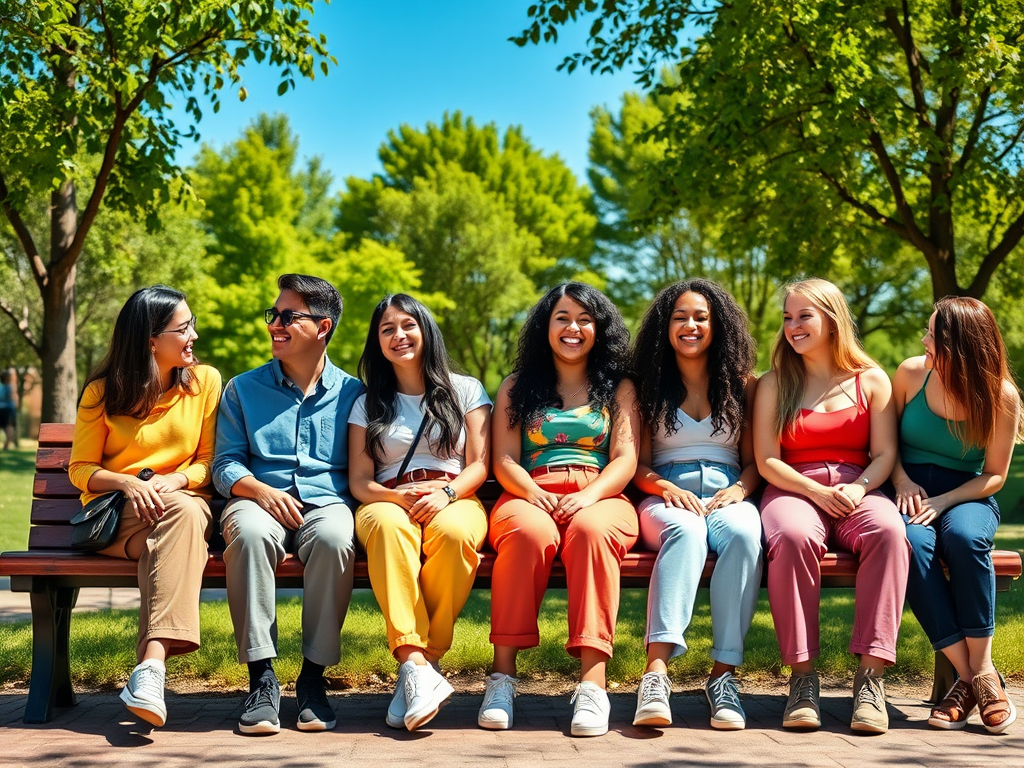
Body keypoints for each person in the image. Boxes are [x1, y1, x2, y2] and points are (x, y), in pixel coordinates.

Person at [478, 282, 639, 737]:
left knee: (590, 532)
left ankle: (592, 686)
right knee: (528, 535)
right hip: (530, 493)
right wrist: (532, 492)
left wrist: (589, 496)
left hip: (602, 495)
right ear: (545, 327)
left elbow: (625, 457)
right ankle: (502, 678)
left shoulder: (619, 388)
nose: (574, 328)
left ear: (599, 329)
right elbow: (505, 458)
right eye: (563, 318)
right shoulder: (516, 386)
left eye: (585, 319)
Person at [752, 277, 909, 734]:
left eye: (804, 316)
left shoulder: (871, 379)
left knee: (889, 532)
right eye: (787, 317)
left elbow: (884, 455)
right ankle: (802, 680)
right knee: (795, 536)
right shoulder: (773, 383)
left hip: (857, 489)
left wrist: (859, 488)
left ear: (832, 319)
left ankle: (870, 678)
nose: (793, 326)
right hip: (791, 490)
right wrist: (814, 491)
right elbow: (766, 460)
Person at [213, 274, 364, 735]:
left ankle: (313, 680)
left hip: (328, 503)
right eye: (272, 315)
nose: (274, 324)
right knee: (252, 533)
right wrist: (259, 490)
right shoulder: (242, 389)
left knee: (338, 537)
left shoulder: (355, 394)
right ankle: (261, 679)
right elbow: (224, 464)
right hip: (258, 499)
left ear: (323, 328)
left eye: (287, 316)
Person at [68, 286, 221, 727]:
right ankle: (151, 670)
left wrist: (173, 481)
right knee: (184, 517)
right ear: (151, 340)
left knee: (184, 512)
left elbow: (208, 463)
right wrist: (128, 483)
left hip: (174, 515)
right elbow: (80, 469)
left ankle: (151, 668)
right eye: (184, 327)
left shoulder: (205, 383)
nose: (194, 334)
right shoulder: (102, 393)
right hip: (118, 520)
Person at [349, 294, 492, 731]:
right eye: (387, 329)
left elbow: (480, 465)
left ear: (426, 329)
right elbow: (360, 481)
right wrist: (399, 499)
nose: (399, 335)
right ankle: (415, 664)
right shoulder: (367, 402)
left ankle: (418, 668)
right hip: (388, 500)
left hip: (455, 495)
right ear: (377, 341)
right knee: (390, 531)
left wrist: (446, 494)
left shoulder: (465, 389)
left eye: (407, 325)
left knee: (454, 536)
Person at [629, 279, 762, 730]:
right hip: (663, 493)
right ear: (665, 327)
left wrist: (740, 490)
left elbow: (755, 462)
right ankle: (656, 674)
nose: (690, 325)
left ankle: (723, 677)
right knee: (685, 532)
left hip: (729, 490)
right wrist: (666, 490)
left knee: (746, 534)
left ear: (717, 325)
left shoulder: (745, 385)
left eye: (701, 317)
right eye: (680, 317)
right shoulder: (646, 385)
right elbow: (638, 465)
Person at [891, 297, 1022, 734]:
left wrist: (946, 502)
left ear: (959, 344)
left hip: (968, 494)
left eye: (932, 333)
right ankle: (978, 681)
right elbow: (883, 446)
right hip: (909, 490)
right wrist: (903, 481)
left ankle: (974, 674)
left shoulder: (1002, 396)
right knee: (910, 544)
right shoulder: (911, 373)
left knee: (966, 540)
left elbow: (996, 475)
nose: (923, 340)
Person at [0, 367, 18, 450]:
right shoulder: (11, 386)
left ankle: (6, 445)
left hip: (1, 409)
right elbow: (14, 397)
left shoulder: (1, 386)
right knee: (10, 427)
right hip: (9, 410)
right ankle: (6, 445)